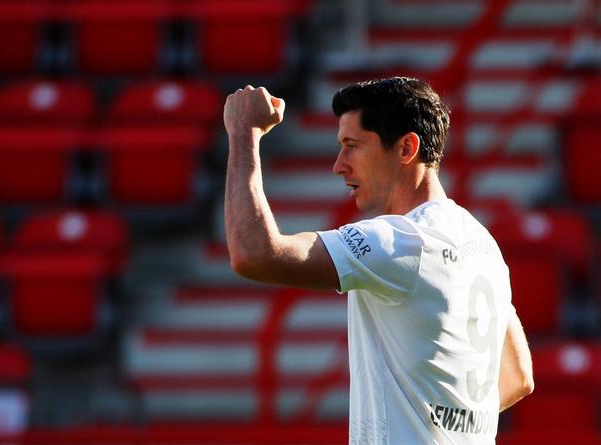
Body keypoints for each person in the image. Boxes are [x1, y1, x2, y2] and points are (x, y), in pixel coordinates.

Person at [223, 77, 534, 444]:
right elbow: (518, 377)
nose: (339, 165)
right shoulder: (483, 245)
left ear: (406, 148)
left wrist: (244, 133)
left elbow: (255, 253)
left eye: (352, 146)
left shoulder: (400, 241)